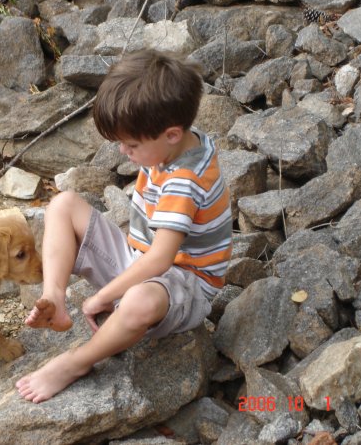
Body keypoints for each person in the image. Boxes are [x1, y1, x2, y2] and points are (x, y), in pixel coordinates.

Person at [16, 49, 233, 403]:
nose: (122, 152)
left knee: (138, 302)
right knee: (63, 204)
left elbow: (161, 262)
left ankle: (76, 362)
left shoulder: (185, 179)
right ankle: (54, 298)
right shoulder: (171, 143)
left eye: (131, 145)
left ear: (173, 134)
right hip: (138, 257)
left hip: (184, 284)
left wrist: (104, 295)